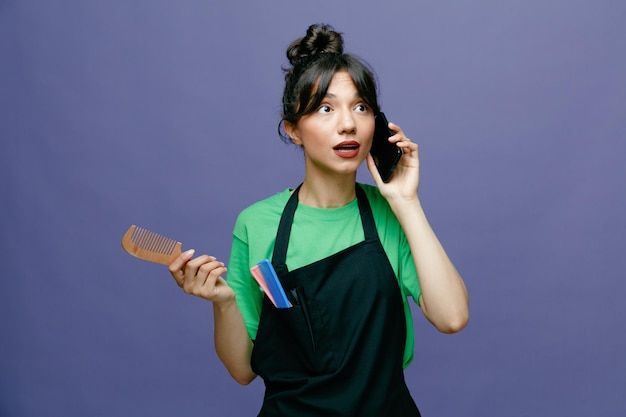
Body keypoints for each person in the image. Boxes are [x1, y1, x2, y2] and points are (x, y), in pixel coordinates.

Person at [168, 23, 469, 416]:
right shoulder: (257, 223)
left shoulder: (391, 213)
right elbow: (242, 371)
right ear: (293, 130)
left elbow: (452, 318)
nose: (348, 123)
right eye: (326, 108)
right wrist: (223, 302)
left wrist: (406, 200)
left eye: (361, 107)